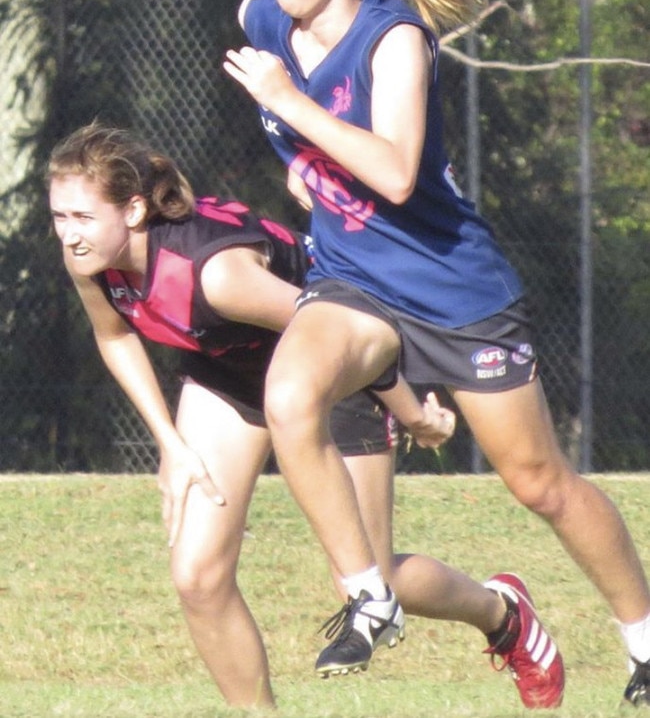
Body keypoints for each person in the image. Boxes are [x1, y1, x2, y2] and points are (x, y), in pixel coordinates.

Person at [222, 0, 650, 709]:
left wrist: (292, 113)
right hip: (352, 282)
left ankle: (643, 636)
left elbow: (392, 169)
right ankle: (369, 594)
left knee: (539, 484)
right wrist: (304, 171)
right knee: (290, 396)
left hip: (453, 292)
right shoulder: (264, 12)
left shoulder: (395, 39)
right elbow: (321, 147)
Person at [47, 122, 552, 710]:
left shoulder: (219, 277)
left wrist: (414, 415)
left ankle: (503, 614)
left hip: (333, 378)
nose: (69, 234)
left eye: (82, 217)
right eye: (59, 216)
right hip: (231, 375)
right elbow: (114, 338)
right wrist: (171, 446)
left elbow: (337, 333)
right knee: (197, 576)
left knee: (367, 579)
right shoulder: (88, 261)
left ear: (133, 210)